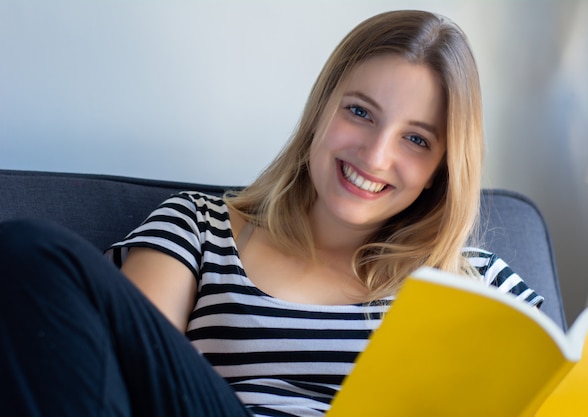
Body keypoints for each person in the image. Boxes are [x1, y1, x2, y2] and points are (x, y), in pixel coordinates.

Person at [0, 9, 543, 417]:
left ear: (443, 167)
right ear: (320, 110)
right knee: (32, 252)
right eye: (360, 112)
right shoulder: (197, 229)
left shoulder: (479, 286)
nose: (376, 157)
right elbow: (124, 377)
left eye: (417, 140)